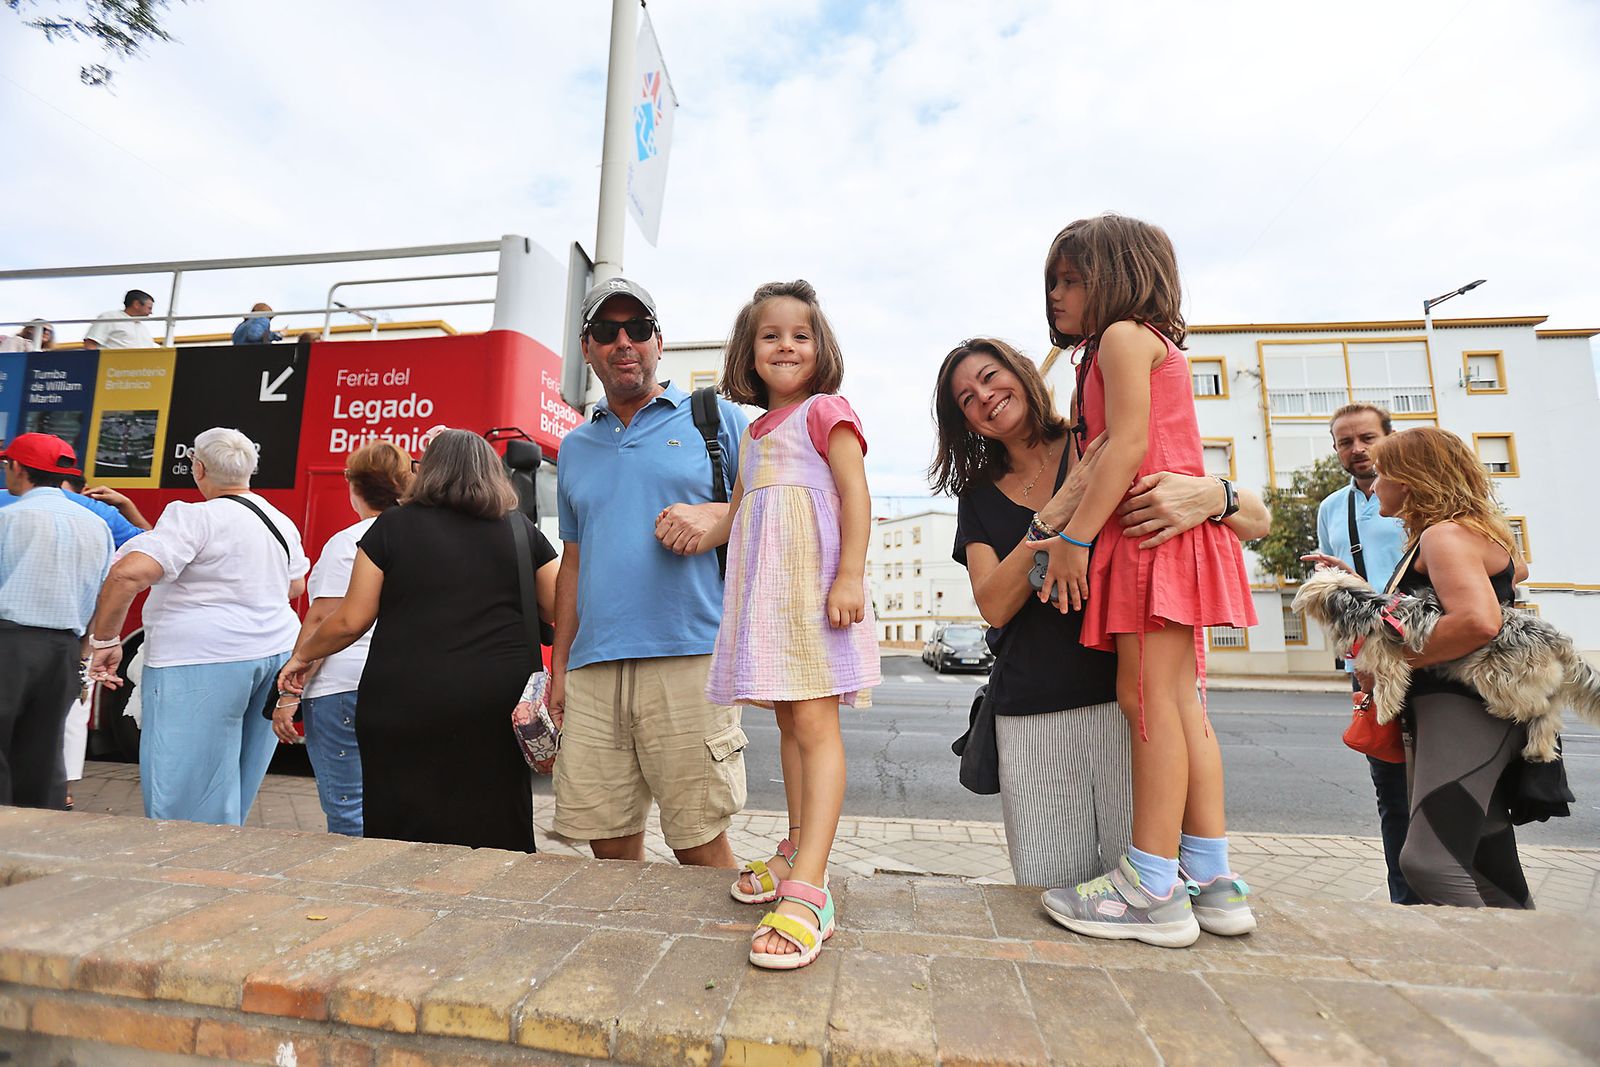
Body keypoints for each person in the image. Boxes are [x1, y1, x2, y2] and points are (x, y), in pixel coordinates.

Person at [930, 338, 1271, 893]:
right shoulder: (978, 496)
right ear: (963, 422)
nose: (985, 397)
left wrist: (1216, 495)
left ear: (1021, 373)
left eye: (992, 377)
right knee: (1045, 884)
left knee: (1141, 882)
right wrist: (1058, 515)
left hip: (1128, 703)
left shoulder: (1097, 440)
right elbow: (993, 602)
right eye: (967, 398)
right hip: (1031, 711)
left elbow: (1256, 519)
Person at [1032, 214, 1257, 948]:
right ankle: (1209, 876)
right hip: (1162, 534)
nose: (1057, 294)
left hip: (1149, 535)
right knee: (1176, 702)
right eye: (1054, 281)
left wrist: (1071, 539)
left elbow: (1126, 445)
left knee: (1151, 700)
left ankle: (1151, 884)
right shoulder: (1119, 348)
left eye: (1073, 279)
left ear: (1120, 275)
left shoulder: (1125, 338)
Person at [690, 280, 879, 970]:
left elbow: (855, 494)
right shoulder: (753, 431)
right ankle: (796, 845)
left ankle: (812, 885)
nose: (786, 345)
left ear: (820, 346)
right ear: (750, 349)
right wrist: (691, 525)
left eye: (800, 335)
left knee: (816, 726)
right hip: (770, 599)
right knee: (790, 726)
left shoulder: (826, 410)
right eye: (771, 335)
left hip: (816, 589)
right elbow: (736, 514)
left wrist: (850, 574)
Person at [551, 277, 749, 869]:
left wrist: (715, 514)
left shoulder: (717, 420)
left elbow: (774, 514)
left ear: (658, 342)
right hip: (593, 668)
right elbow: (574, 563)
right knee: (607, 845)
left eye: (637, 329)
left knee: (699, 841)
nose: (623, 342)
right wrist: (559, 668)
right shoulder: (577, 447)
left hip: (690, 656)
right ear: (588, 350)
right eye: (606, 332)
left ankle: (716, 954)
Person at [277, 430, 555, 852]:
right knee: (495, 813)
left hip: (404, 697)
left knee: (400, 817)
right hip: (497, 700)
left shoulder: (392, 526)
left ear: (426, 472)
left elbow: (351, 620)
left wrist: (303, 655)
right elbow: (558, 610)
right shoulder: (520, 530)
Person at [1306, 428, 1533, 908]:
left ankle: (1510, 963)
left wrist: (1388, 661)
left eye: (1385, 471)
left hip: (1461, 709)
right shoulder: (1458, 531)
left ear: (1409, 480)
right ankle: (1522, 962)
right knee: (1486, 862)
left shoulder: (1443, 534)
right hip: (1468, 709)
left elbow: (1477, 620)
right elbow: (1509, 574)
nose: (1376, 479)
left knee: (1428, 863)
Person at [86, 428, 309, 825]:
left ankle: (184, 870)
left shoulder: (192, 516)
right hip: (273, 654)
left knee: (186, 792)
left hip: (200, 661)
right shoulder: (279, 520)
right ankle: (220, 866)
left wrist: (105, 640)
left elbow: (125, 576)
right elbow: (295, 584)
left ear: (199, 468)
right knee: (238, 778)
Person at [271, 441, 411, 836]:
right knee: (392, 801)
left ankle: (353, 891)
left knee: (349, 807)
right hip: (399, 684)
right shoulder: (416, 535)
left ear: (353, 485)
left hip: (342, 686)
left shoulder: (350, 541)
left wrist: (289, 693)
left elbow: (323, 619)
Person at [1314, 403, 1420, 906]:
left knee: (1442, 776)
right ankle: (1404, 897)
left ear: (1388, 438)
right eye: (1344, 442)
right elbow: (1335, 587)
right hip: (1371, 658)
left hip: (1429, 646)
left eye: (1366, 438)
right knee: (1389, 781)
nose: (1357, 449)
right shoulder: (1332, 508)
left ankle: (1461, 890)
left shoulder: (1423, 493)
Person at [0, 433, 113, 809]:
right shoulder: (97, 526)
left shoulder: (9, 517)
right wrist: (82, 651)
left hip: (9, 643)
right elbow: (101, 596)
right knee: (44, 749)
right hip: (64, 647)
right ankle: (37, 836)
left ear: (18, 468)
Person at [83, 290, 156, 350]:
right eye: (149, 308)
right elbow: (90, 343)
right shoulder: (109, 317)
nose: (151, 312)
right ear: (136, 304)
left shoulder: (143, 328)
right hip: (112, 366)